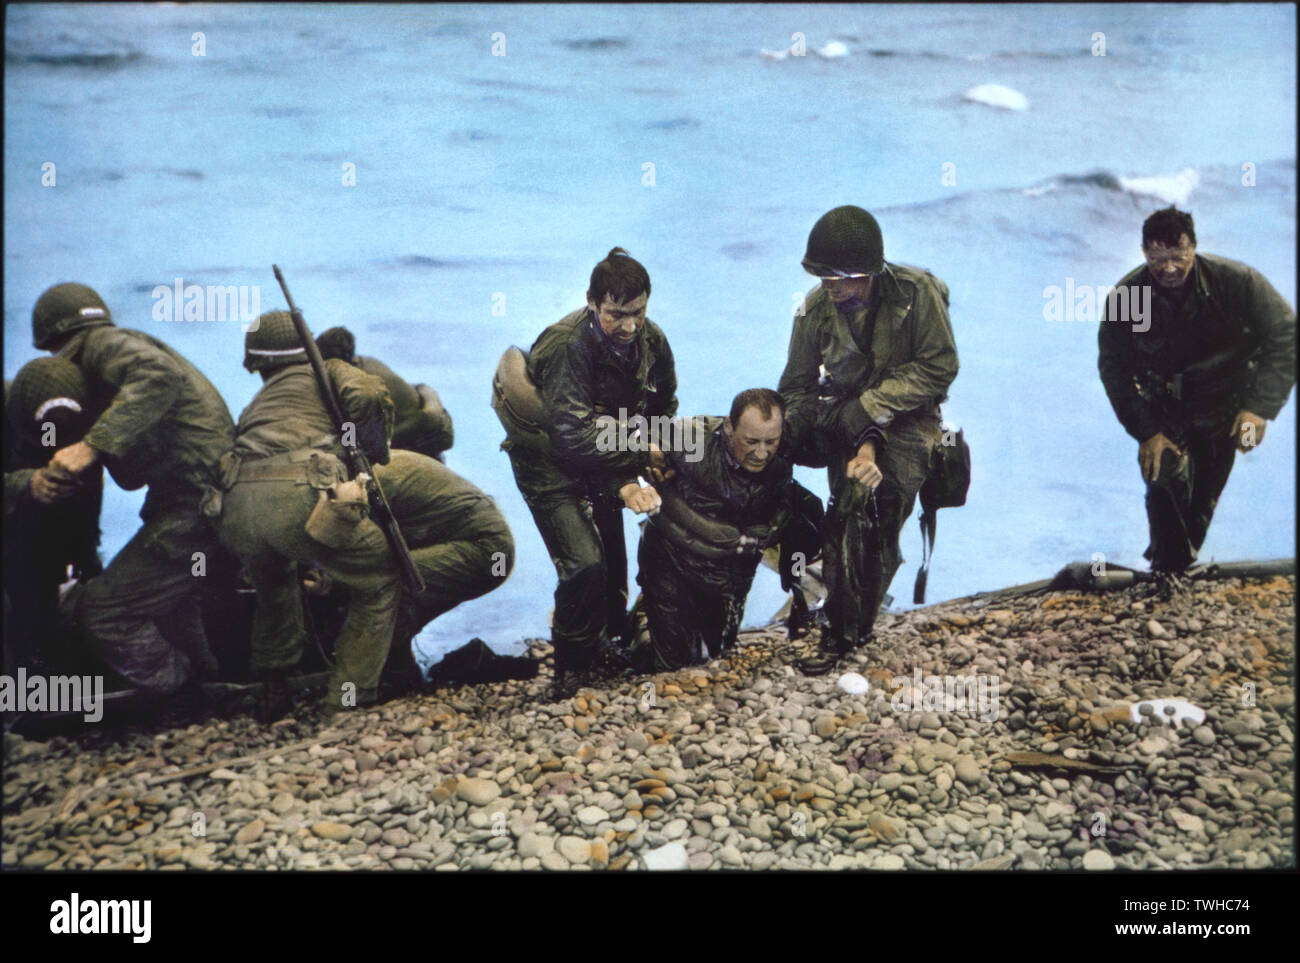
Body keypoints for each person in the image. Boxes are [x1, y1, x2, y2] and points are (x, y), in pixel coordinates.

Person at [28, 282, 234, 699]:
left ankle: (179, 691)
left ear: (57, 340)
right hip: (197, 494)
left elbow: (157, 377)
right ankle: (205, 678)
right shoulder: (119, 343)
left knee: (104, 611)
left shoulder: (103, 344)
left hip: (195, 500)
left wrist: (90, 447)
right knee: (174, 597)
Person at [777, 207, 959, 674]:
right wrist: (783, 437)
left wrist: (872, 412)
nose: (831, 287)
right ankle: (812, 589)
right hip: (842, 414)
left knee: (872, 509)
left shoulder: (916, 294)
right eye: (823, 277)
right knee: (785, 479)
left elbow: (940, 366)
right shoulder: (815, 308)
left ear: (870, 274)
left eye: (842, 278)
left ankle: (846, 631)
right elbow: (794, 387)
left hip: (911, 418)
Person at [492, 247, 677, 698]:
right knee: (584, 564)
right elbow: (574, 437)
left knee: (614, 566)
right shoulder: (566, 346)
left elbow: (662, 405)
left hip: (607, 459)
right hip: (548, 465)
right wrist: (635, 461)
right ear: (593, 303)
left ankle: (612, 642)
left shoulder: (650, 340)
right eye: (616, 314)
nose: (629, 325)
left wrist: (659, 456)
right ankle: (571, 666)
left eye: (638, 312)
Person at [1098, 206, 1296, 589]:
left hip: (1226, 408)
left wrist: (1259, 409)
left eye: (1178, 255)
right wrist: (1147, 431)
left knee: (1201, 502)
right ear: (1143, 253)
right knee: (1163, 481)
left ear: (1194, 248)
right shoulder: (1128, 298)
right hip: (1164, 411)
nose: (1169, 267)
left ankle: (1171, 566)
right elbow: (1113, 369)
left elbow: (1286, 334)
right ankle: (1168, 575)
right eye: (1158, 258)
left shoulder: (1237, 283)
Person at [217, 310, 399, 722]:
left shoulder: (257, 403)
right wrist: (369, 456)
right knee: (380, 573)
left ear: (257, 364)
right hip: (297, 498)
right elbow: (369, 395)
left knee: (275, 587)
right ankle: (348, 700)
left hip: (237, 508)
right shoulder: (329, 370)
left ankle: (273, 691)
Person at [630, 389, 810, 671]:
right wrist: (646, 462)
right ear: (728, 427)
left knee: (713, 653)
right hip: (673, 563)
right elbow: (620, 440)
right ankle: (643, 618)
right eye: (750, 441)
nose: (761, 453)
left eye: (770, 442)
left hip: (729, 573)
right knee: (668, 664)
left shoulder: (788, 447)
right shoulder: (693, 438)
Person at [374, 448, 516, 693]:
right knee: (389, 584)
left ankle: (398, 678)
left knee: (385, 582)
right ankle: (393, 668)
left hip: (487, 551)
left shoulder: (367, 484)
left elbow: (361, 556)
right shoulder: (374, 467)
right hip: (484, 547)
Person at [3, 358, 104, 674]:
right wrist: (26, 484)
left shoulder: (87, 429)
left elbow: (88, 490)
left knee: (41, 616)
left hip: (43, 544)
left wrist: (85, 554)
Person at [316, 326, 455, 461]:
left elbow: (362, 437)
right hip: (423, 432)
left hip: (418, 442)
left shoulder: (358, 384)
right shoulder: (365, 363)